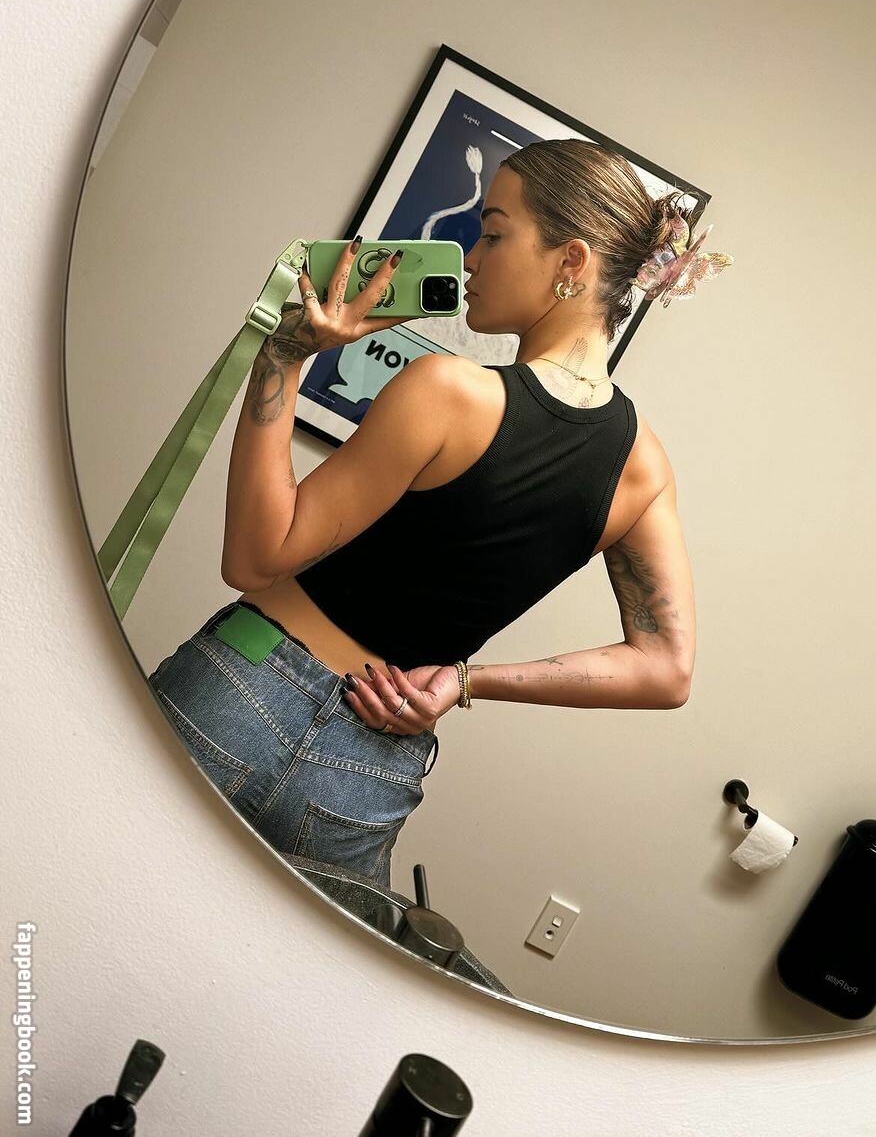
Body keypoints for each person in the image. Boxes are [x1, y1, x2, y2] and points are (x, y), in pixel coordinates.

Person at [148, 138, 706, 889]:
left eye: (494, 234)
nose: (470, 258)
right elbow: (667, 670)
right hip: (369, 772)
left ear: (571, 262)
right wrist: (464, 682)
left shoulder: (448, 389)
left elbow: (255, 556)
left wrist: (283, 355)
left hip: (242, 692)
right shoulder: (645, 468)